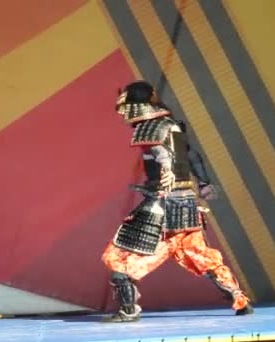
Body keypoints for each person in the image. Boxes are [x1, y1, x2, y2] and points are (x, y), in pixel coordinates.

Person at [101, 81, 253, 323]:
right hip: (186, 203)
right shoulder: (170, 125)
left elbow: (168, 163)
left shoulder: (151, 128)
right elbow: (190, 155)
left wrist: (162, 187)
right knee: (198, 253)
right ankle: (239, 298)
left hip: (164, 205)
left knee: (115, 257)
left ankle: (128, 310)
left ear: (135, 105)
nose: (122, 112)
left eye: (125, 106)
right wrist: (203, 184)